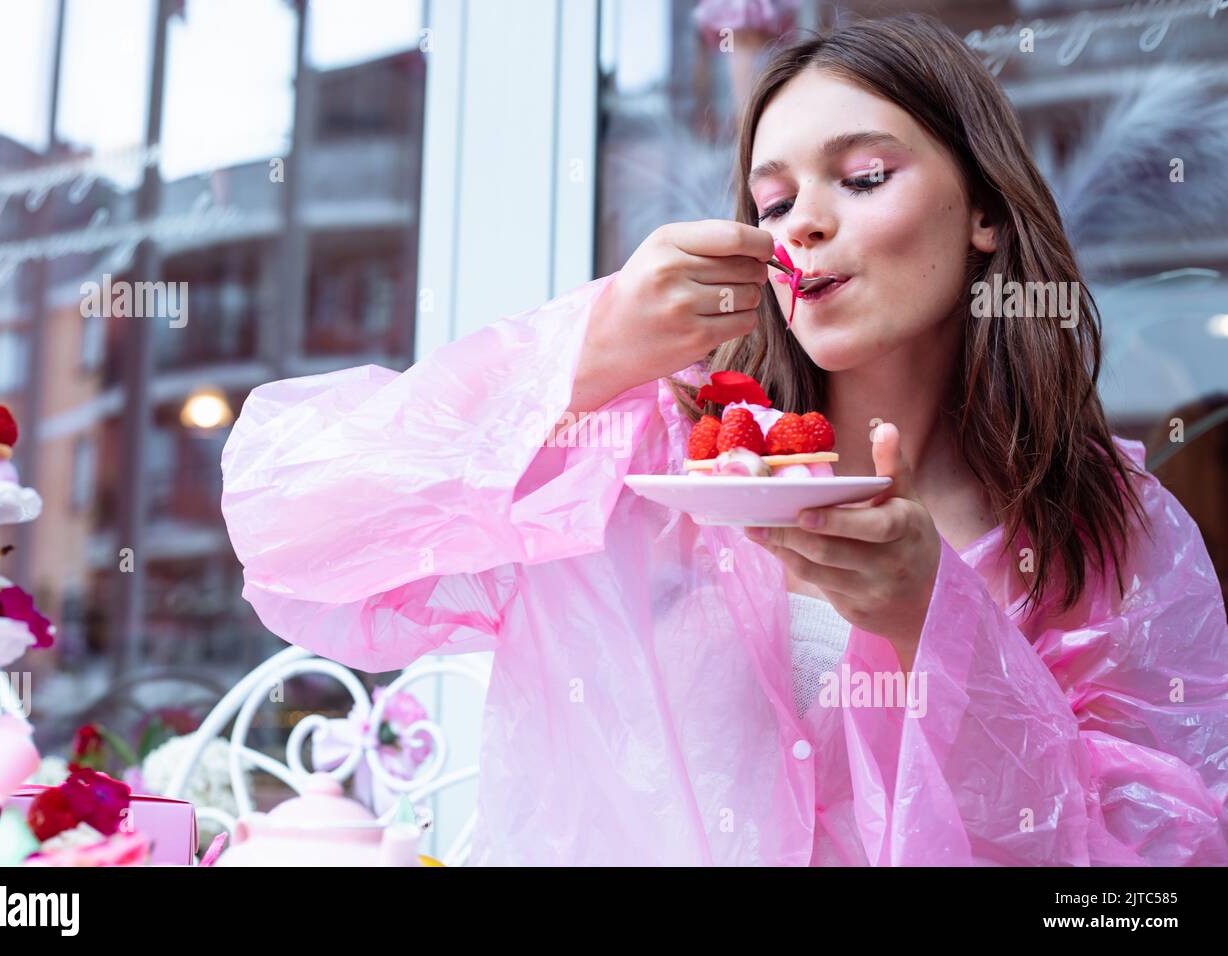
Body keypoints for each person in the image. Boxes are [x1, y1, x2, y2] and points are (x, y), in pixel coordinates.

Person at [220, 14, 1228, 865]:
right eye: (774, 201)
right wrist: (585, 353)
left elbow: (1141, 873)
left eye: (864, 177)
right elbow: (288, 523)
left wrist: (936, 623)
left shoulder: (1112, 531)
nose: (804, 226)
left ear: (983, 214)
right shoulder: (647, 445)